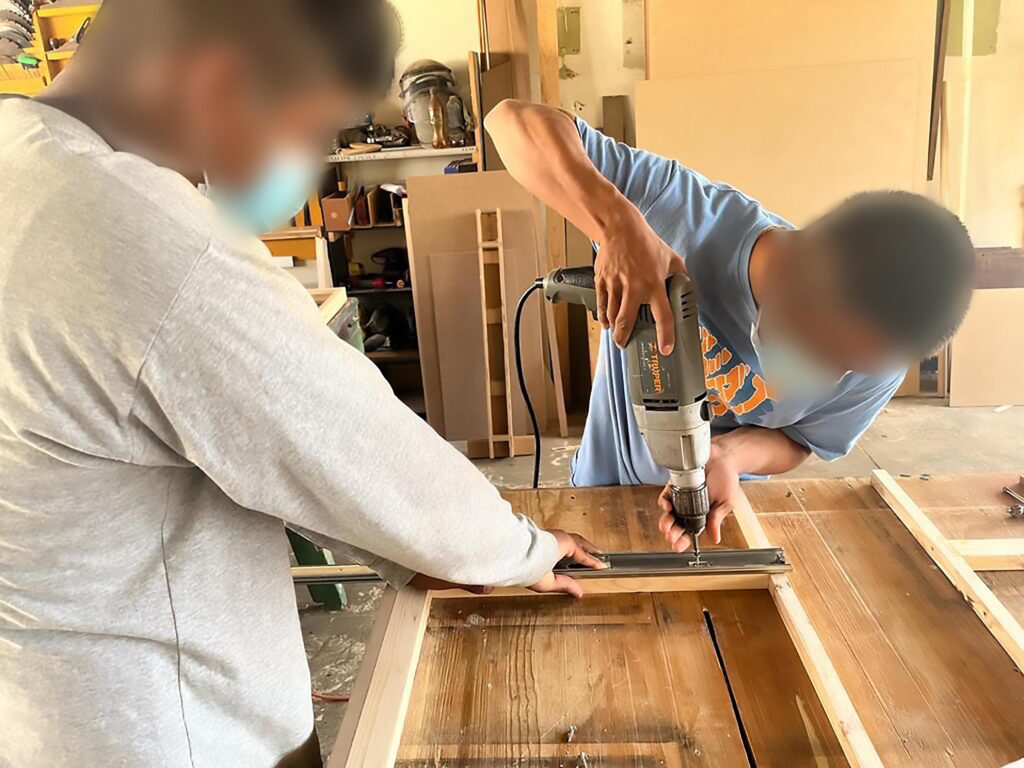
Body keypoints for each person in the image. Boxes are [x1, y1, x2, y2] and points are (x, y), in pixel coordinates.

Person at [0, 2, 603, 766]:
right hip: (177, 731)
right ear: (222, 85)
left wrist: (421, 551)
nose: (311, 164)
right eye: (311, 131)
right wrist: (519, 550)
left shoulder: (21, 159)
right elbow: (353, 448)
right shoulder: (135, 235)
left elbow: (259, 445)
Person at [486, 100, 975, 551]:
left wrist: (731, 455)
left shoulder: (880, 355)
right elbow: (510, 122)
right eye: (826, 352)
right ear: (793, 268)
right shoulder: (681, 216)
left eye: (850, 368)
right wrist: (617, 226)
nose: (832, 377)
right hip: (602, 492)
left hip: (722, 516)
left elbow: (802, 440)